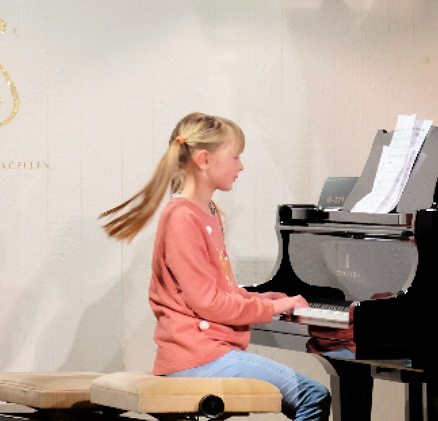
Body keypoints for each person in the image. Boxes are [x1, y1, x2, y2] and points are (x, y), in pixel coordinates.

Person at [100, 112, 331, 421]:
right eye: (235, 157)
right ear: (204, 160)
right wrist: (271, 309)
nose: (241, 166)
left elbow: (217, 291)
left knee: (309, 394)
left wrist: (262, 299)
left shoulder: (207, 211)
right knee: (313, 396)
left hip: (209, 353)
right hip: (197, 358)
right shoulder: (183, 219)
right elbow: (209, 304)